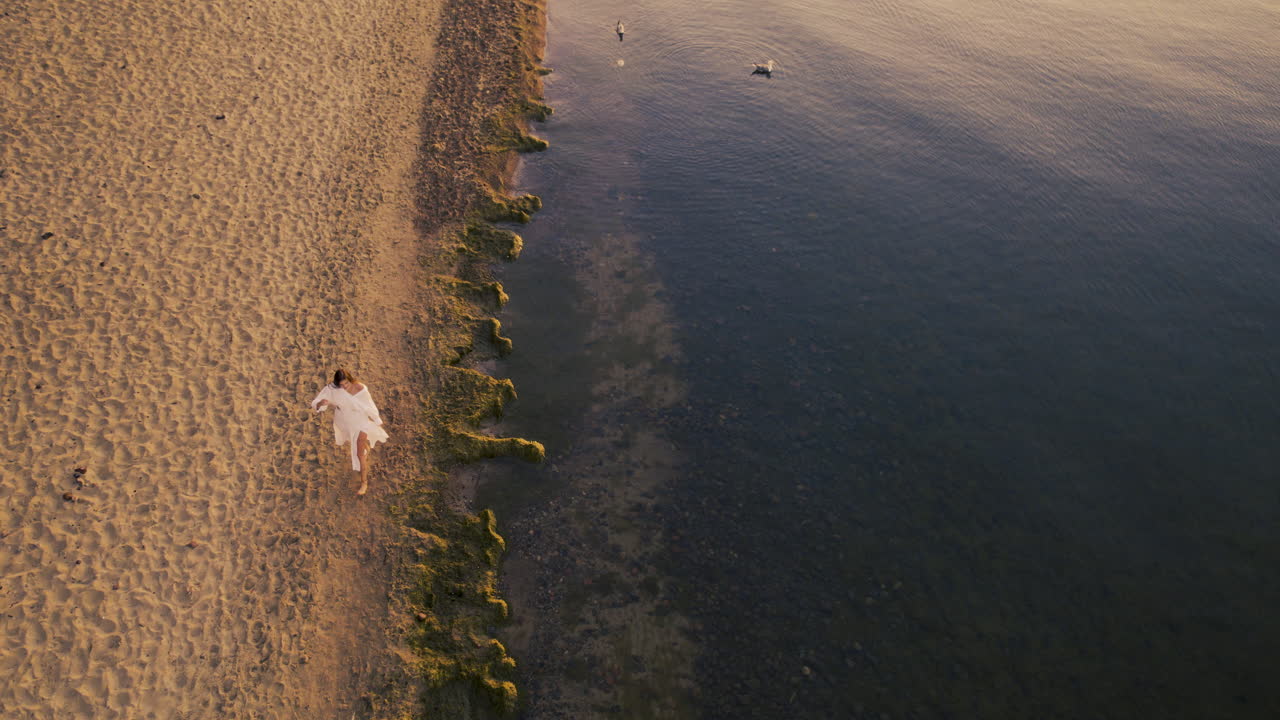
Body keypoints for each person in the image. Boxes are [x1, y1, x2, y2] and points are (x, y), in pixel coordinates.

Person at [311, 368, 388, 495]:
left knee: (359, 453)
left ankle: (364, 482)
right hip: (344, 420)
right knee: (354, 442)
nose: (344, 387)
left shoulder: (360, 388)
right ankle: (365, 447)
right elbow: (316, 403)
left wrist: (377, 419)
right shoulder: (332, 389)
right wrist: (320, 403)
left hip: (361, 421)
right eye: (341, 385)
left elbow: (369, 405)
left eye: (346, 383)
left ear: (350, 379)